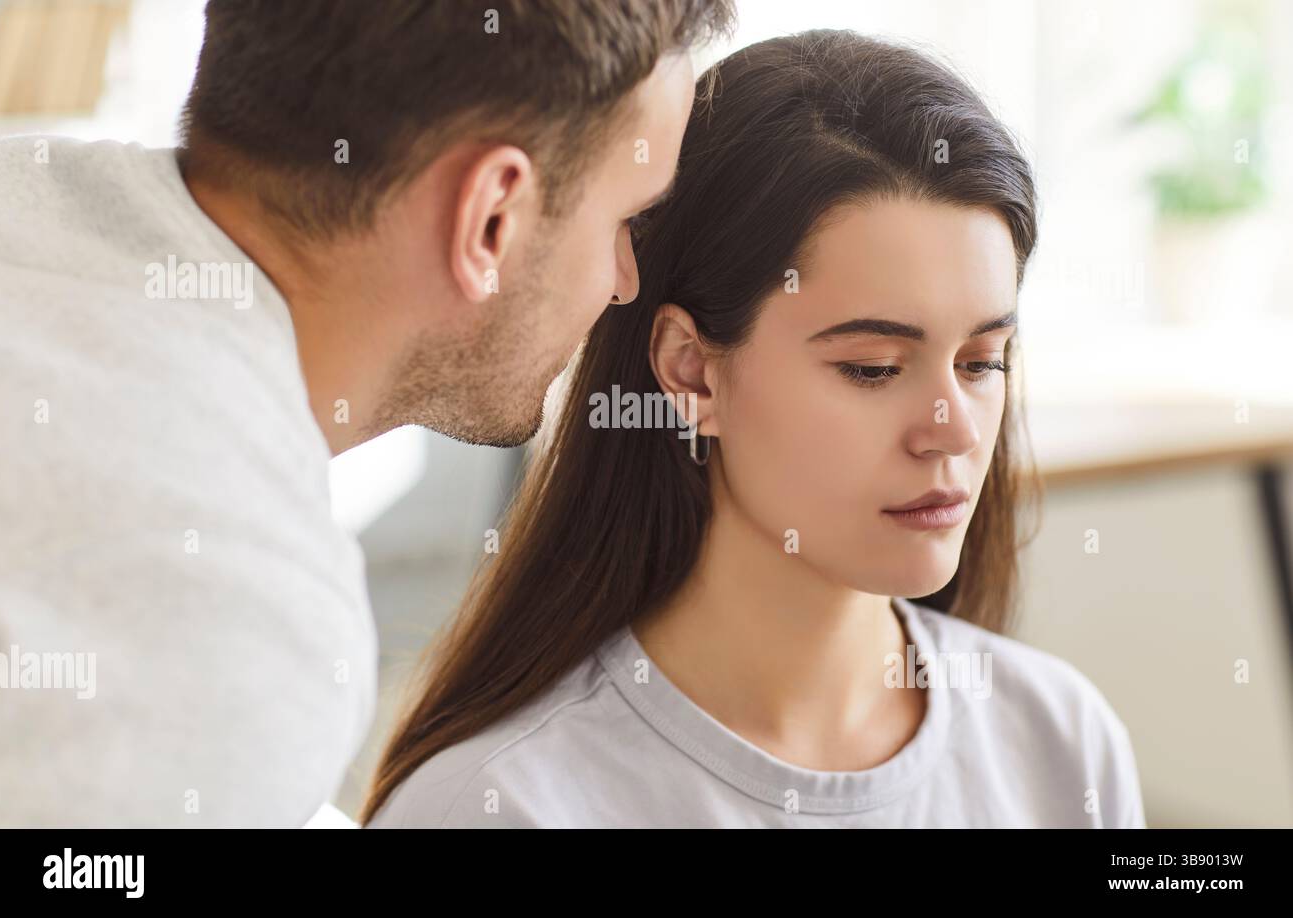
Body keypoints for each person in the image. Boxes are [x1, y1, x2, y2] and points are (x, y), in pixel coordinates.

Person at [363, 30, 1148, 829]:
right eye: (874, 368)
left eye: (982, 363)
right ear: (691, 372)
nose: (949, 432)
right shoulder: (506, 805)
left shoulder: (1063, 744)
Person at [0, 0, 735, 827]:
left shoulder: (18, 191)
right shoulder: (234, 631)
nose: (626, 281)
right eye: (626, 220)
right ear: (490, 217)